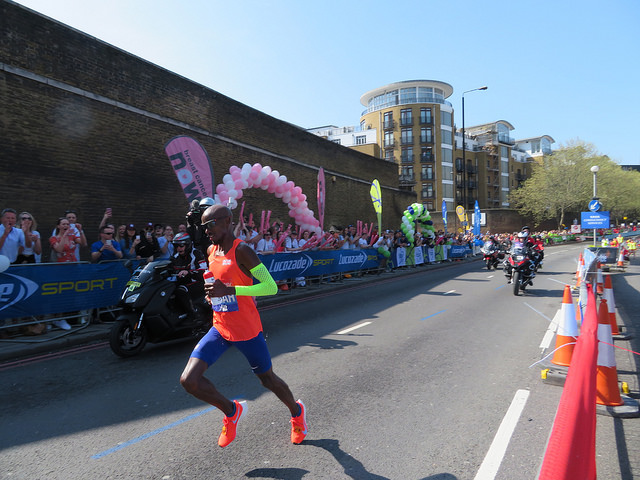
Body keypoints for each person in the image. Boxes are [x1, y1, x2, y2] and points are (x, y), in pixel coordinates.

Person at [179, 205, 307, 448]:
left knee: (267, 380)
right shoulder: (211, 250)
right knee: (189, 380)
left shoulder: (243, 251)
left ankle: (296, 412)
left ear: (227, 221)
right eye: (203, 226)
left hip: (247, 329)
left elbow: (270, 286)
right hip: (221, 326)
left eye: (210, 224)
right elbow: (220, 283)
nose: (207, 230)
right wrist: (213, 296)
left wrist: (232, 290)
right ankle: (231, 411)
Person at [171, 232, 207, 320]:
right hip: (181, 282)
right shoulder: (175, 257)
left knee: (182, 290)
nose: (178, 248)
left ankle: (194, 315)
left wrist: (189, 272)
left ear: (188, 245)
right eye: (176, 246)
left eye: (181, 245)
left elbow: (204, 271)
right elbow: (169, 268)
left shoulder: (197, 253)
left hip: (197, 282)